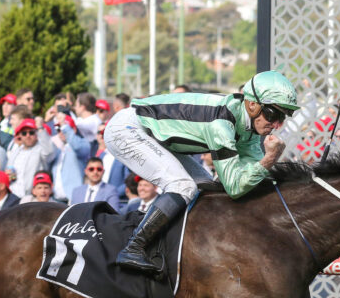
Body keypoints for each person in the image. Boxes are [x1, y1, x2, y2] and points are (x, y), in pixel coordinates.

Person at [104, 70, 296, 273]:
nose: (277, 124)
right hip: (127, 129)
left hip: (155, 135)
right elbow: (235, 187)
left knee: (208, 188)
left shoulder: (248, 126)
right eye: (273, 114)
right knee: (183, 186)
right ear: (252, 105)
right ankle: (134, 247)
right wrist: (270, 158)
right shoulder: (221, 124)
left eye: (282, 117)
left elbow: (251, 179)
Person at [6, 118, 55, 199]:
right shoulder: (15, 152)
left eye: (31, 133)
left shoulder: (41, 149)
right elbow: (9, 173)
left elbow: (49, 153)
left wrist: (40, 128)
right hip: (14, 196)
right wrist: (8, 176)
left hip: (32, 197)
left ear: (36, 134)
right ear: (20, 135)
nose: (28, 136)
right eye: (24, 133)